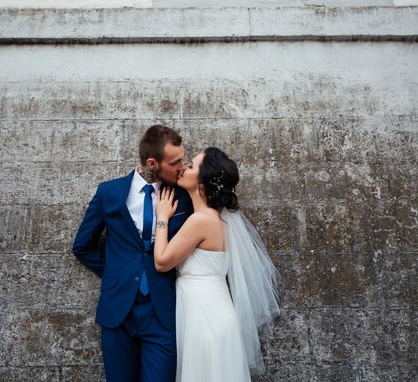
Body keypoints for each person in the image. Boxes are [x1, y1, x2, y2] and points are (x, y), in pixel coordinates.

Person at [72, 125, 193, 382]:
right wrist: (117, 272)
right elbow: (82, 246)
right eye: (175, 162)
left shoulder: (184, 196)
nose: (182, 166)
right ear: (152, 163)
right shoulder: (109, 193)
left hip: (163, 312)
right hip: (118, 312)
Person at [154, 147, 280, 382]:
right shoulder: (220, 220)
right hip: (215, 311)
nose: (183, 168)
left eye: (191, 166)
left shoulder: (200, 220)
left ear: (202, 183)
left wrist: (162, 217)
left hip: (203, 316)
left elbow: (162, 262)